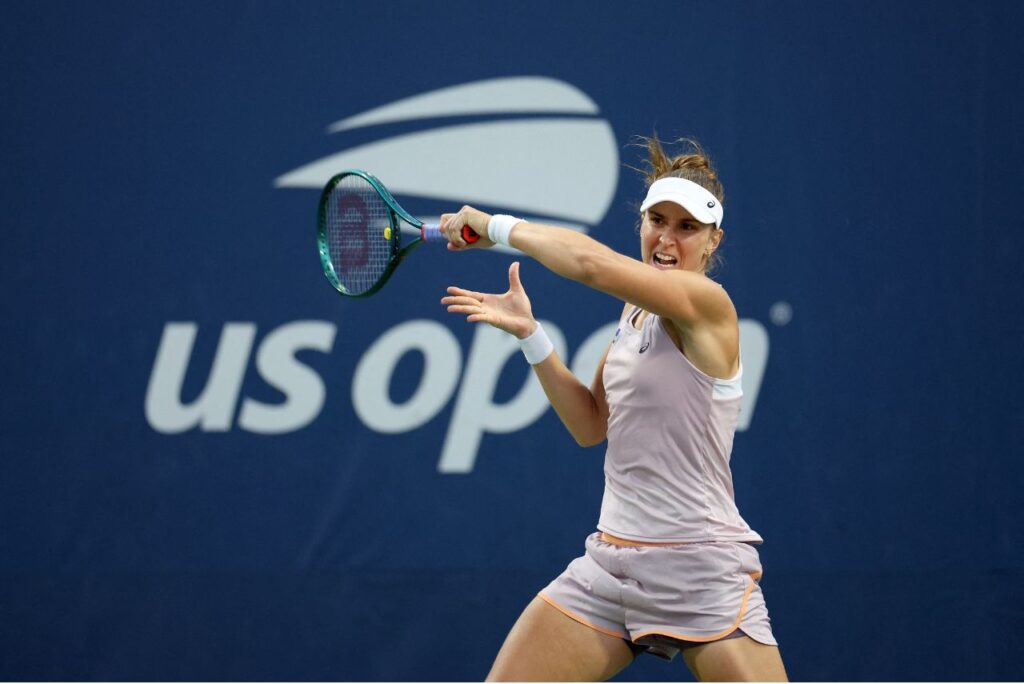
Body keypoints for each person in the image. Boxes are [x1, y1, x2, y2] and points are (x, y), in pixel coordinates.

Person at [439, 138, 787, 682]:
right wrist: (532, 336)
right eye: (657, 220)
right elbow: (590, 425)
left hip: (698, 570)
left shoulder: (708, 306)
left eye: (687, 227)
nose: (667, 238)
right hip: (608, 568)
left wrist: (493, 227)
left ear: (713, 240)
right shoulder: (634, 313)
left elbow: (588, 263)